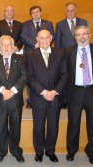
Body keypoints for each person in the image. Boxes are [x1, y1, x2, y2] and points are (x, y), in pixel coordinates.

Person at [65, 25, 93, 165]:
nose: (81, 37)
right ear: (75, 37)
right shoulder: (68, 51)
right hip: (75, 92)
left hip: (92, 91)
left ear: (89, 35)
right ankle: (71, 150)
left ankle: (92, 152)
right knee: (73, 123)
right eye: (78, 35)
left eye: (84, 34)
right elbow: (65, 72)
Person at [25, 30, 67, 163]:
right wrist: (43, 92)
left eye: (46, 38)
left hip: (55, 96)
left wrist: (54, 91)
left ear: (51, 39)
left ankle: (50, 151)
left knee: (53, 126)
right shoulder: (30, 55)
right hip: (39, 97)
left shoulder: (60, 53)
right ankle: (39, 152)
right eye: (41, 38)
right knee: (38, 127)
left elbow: (64, 75)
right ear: (37, 39)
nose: (44, 40)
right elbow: (29, 78)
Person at [0, 35, 27, 163]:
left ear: (13, 46)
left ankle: (16, 151)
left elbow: (23, 77)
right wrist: (2, 90)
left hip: (15, 99)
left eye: (9, 45)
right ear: (0, 47)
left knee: (16, 127)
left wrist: (12, 91)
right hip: (0, 100)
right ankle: (1, 152)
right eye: (3, 45)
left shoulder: (20, 59)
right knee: (0, 128)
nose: (6, 47)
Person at [54, 2, 88, 109]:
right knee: (66, 77)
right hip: (66, 56)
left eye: (72, 10)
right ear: (65, 11)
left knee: (80, 77)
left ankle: (81, 101)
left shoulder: (83, 22)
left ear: (76, 10)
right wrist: (58, 57)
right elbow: (58, 42)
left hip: (81, 55)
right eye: (68, 10)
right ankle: (65, 100)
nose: (70, 12)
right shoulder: (60, 24)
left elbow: (86, 38)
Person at [21, 5, 54, 109]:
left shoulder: (48, 23)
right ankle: (30, 100)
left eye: (37, 12)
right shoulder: (25, 24)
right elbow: (23, 36)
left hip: (46, 53)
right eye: (33, 12)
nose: (35, 14)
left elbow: (52, 35)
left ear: (41, 12)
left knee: (45, 74)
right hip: (30, 53)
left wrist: (42, 43)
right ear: (30, 14)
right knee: (30, 76)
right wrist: (36, 43)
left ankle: (46, 95)